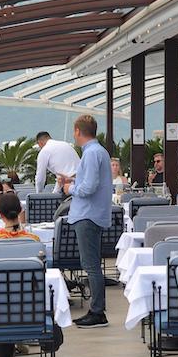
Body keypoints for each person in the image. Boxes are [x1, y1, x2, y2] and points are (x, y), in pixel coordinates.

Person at [67, 113, 113, 327]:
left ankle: (97, 311)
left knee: (91, 265)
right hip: (93, 214)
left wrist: (70, 188)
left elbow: (88, 187)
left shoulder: (91, 153)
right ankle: (97, 309)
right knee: (92, 263)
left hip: (88, 215)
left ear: (78, 131)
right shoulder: (98, 152)